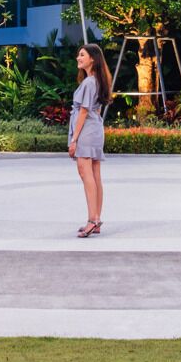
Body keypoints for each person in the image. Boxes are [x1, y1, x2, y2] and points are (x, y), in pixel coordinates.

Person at [68, 44, 111, 237]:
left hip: (86, 131)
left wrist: (74, 139)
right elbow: (96, 109)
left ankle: (92, 220)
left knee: (86, 175)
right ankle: (96, 219)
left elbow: (83, 112)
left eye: (82, 55)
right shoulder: (98, 81)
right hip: (95, 129)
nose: (78, 57)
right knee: (95, 176)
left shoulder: (88, 83)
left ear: (92, 59)